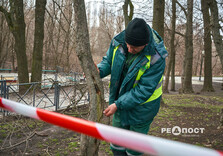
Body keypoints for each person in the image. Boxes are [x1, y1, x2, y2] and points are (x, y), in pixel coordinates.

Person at [97, 18, 168, 156]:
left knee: (134, 150)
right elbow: (108, 61)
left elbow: (144, 90)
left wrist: (118, 104)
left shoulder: (157, 57)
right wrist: (99, 70)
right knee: (117, 145)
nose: (129, 49)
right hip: (119, 104)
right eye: (128, 45)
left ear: (145, 44)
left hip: (143, 110)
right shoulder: (119, 41)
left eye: (134, 48)